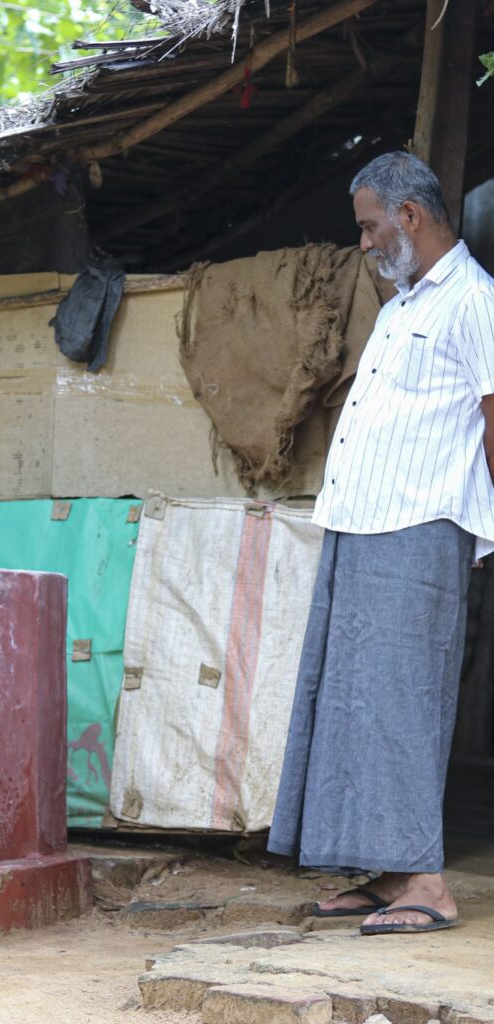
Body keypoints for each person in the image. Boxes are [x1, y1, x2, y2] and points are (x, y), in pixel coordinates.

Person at [267, 152, 494, 936]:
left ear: (410, 216)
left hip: (420, 524)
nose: (362, 243)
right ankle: (390, 870)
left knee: (401, 703)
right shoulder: (403, 304)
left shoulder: (475, 302)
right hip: (360, 523)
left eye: (369, 226)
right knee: (354, 701)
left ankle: (428, 884)